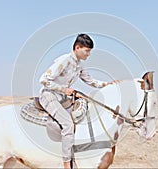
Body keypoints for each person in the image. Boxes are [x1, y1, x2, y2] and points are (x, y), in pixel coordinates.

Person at [39, 33, 119, 169]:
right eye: (87, 51)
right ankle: (67, 164)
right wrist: (64, 90)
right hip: (49, 96)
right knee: (68, 124)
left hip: (63, 98)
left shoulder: (79, 65)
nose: (88, 54)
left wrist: (109, 85)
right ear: (77, 47)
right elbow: (44, 80)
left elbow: (91, 81)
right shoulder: (64, 60)